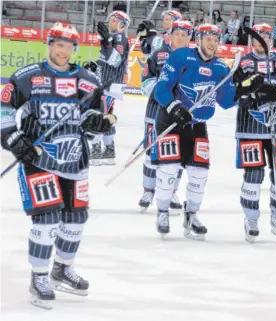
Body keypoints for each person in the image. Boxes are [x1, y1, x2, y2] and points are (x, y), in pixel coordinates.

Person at [0, 22, 116, 309]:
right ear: (49, 44)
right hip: (39, 159)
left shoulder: (86, 80)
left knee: (76, 221)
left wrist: (97, 121)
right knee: (47, 222)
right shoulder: (27, 77)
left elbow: (103, 115)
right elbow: (4, 111)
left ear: (75, 49)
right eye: (58, 44)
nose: (63, 51)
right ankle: (38, 277)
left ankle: (61, 269)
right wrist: (15, 140)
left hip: (75, 160)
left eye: (69, 46)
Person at [152, 24, 236, 240]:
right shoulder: (181, 57)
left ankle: (191, 215)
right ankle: (162, 212)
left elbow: (226, 102)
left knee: (200, 173)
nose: (211, 42)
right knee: (168, 170)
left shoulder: (221, 67)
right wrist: (175, 107)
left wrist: (243, 88)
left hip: (197, 126)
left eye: (215, 38)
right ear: (198, 40)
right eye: (207, 38)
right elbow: (161, 88)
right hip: (171, 121)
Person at [233, 23, 276, 243]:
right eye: (258, 36)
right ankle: (251, 218)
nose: (262, 40)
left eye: (266, 36)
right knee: (253, 175)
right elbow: (231, 96)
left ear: (271, 39)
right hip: (250, 128)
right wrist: (249, 91)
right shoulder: (241, 62)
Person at [137, 20, 193, 214]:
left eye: (185, 35)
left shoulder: (194, 58)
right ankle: (148, 191)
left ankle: (171, 191)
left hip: (180, 115)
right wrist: (163, 95)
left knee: (176, 156)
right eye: (177, 33)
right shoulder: (159, 55)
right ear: (170, 34)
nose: (180, 37)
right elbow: (145, 82)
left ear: (190, 38)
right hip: (155, 111)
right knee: (151, 154)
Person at [89, 11, 129, 166]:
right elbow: (106, 60)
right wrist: (96, 66)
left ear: (122, 24)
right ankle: (108, 148)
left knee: (101, 114)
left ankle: (99, 149)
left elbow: (115, 60)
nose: (110, 23)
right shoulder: (112, 38)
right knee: (105, 114)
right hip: (105, 83)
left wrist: (106, 40)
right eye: (110, 20)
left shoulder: (119, 38)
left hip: (110, 85)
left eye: (114, 20)